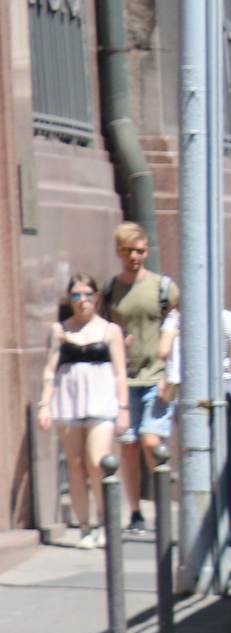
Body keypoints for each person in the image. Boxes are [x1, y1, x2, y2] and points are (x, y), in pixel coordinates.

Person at [38, 274, 128, 548]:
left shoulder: (110, 330)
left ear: (97, 297)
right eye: (76, 296)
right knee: (76, 467)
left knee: (97, 462)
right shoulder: (60, 330)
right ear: (70, 299)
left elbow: (120, 373)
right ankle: (85, 528)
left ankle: (104, 522)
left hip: (102, 403)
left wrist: (123, 408)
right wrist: (45, 404)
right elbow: (50, 370)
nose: (83, 301)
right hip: (69, 402)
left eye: (87, 294)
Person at [160, 303, 231, 567]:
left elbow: (163, 351)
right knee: (223, 460)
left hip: (188, 391)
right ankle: (228, 521)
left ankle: (194, 524)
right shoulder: (228, 317)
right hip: (222, 389)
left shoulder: (176, 319)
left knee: (191, 455)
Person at [104, 222, 177, 535]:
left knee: (150, 441)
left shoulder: (163, 288)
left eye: (140, 250)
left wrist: (170, 376)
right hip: (125, 378)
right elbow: (105, 329)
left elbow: (178, 330)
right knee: (129, 447)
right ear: (118, 252)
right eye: (128, 250)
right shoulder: (110, 290)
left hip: (157, 376)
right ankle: (135, 512)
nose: (134, 256)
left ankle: (163, 506)